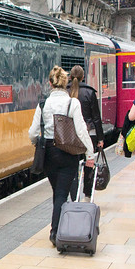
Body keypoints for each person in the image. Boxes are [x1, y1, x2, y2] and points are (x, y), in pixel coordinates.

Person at [29, 66, 95, 246]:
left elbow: (33, 132)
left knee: (57, 192)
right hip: (68, 152)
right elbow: (81, 131)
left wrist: (37, 141)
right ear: (65, 83)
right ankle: (56, 231)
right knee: (61, 193)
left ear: (50, 83)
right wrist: (90, 154)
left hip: (49, 153)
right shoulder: (72, 103)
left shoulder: (43, 104)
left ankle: (59, 228)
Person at [67, 65, 104, 201]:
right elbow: (96, 118)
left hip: (71, 135)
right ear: (83, 77)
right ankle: (87, 196)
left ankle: (74, 196)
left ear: (70, 77)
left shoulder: (66, 92)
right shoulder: (89, 92)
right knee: (89, 165)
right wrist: (100, 138)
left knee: (72, 166)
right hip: (90, 134)